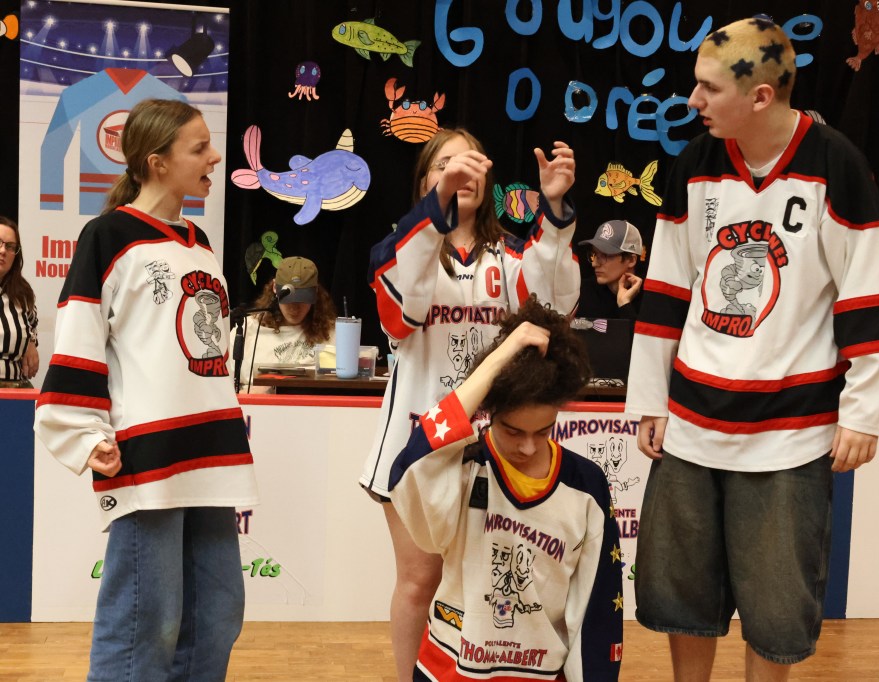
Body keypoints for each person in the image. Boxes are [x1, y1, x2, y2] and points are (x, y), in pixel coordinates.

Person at [625, 17, 879, 681]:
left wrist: (864, 413)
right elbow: (666, 289)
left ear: (760, 96)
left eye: (708, 87)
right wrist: (651, 398)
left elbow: (876, 294)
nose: (692, 99)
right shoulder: (695, 164)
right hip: (691, 423)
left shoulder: (835, 164)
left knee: (778, 609)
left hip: (790, 433)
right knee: (680, 594)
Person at [34, 98, 259, 681]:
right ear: (157, 163)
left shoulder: (199, 241)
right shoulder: (107, 236)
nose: (214, 157)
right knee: (145, 622)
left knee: (216, 615)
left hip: (211, 454)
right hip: (148, 455)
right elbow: (79, 336)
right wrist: (84, 432)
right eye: (199, 148)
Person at [360, 127, 580, 679]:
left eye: (471, 164)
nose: (460, 173)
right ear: (424, 182)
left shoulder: (512, 255)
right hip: (419, 443)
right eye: (445, 165)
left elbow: (555, 310)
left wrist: (553, 210)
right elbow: (402, 318)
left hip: (496, 446)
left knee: (484, 584)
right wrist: (436, 211)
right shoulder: (400, 251)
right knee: (420, 582)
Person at [389, 296, 622, 681]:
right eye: (514, 432)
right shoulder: (463, 465)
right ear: (489, 412)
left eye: (543, 431)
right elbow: (410, 467)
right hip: (450, 671)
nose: (528, 447)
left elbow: (596, 612)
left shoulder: (586, 485)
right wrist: (500, 357)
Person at [231, 256, 337, 393]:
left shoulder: (329, 333)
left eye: (302, 299)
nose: (294, 307)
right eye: (288, 299)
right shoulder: (249, 328)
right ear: (275, 287)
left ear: (315, 292)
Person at [576, 219, 644, 320]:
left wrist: (624, 305)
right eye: (594, 254)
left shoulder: (650, 299)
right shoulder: (581, 292)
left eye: (605, 255)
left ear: (631, 260)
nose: (594, 264)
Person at [0, 216, 39, 388]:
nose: (3, 251)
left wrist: (31, 342)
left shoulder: (22, 294)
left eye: (10, 247)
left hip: (14, 388)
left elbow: (32, 324)